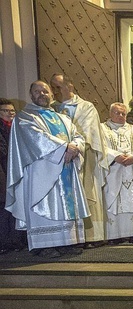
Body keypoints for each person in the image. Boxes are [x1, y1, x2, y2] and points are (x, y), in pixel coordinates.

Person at [5, 80, 89, 257]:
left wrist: (75, 146)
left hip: (65, 168)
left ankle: (67, 242)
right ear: (31, 95)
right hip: (40, 172)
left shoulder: (63, 118)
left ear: (52, 94)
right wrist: (64, 148)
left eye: (45, 91)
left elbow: (78, 136)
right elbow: (35, 137)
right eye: (37, 92)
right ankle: (44, 245)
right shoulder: (25, 117)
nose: (41, 94)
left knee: (66, 203)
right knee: (43, 203)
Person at [49, 73, 107, 246]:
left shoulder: (86, 107)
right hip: (58, 158)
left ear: (70, 86)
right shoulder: (51, 108)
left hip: (82, 158)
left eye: (58, 87)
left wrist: (74, 148)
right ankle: (65, 237)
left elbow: (89, 132)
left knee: (84, 193)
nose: (54, 91)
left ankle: (88, 236)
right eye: (52, 87)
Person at [100, 103, 133, 244]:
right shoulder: (103, 129)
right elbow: (101, 147)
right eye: (117, 113)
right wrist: (115, 156)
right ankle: (115, 235)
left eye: (123, 113)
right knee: (113, 199)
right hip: (113, 171)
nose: (120, 116)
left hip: (132, 170)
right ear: (110, 113)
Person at [0, 98, 26, 253]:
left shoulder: (17, 127)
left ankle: (16, 240)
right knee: (4, 209)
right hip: (3, 173)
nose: (10, 113)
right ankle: (4, 243)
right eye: (5, 111)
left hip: (15, 172)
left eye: (12, 111)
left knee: (16, 207)